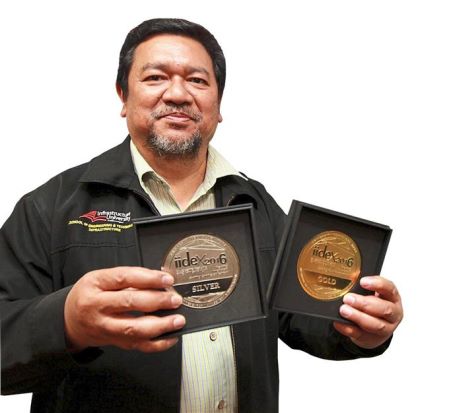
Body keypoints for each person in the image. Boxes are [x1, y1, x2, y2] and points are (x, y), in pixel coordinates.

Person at [0, 18, 403, 413]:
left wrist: (360, 329)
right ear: (123, 96)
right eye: (156, 77)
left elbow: (301, 318)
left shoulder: (255, 203)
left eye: (197, 80)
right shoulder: (53, 206)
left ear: (218, 105)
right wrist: (67, 322)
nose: (178, 94)